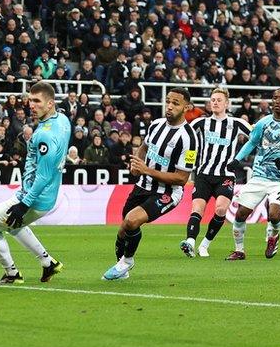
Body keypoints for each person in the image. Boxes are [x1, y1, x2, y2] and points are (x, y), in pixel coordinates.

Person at [104, 87, 199, 280]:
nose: (170, 106)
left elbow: (182, 178)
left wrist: (147, 170)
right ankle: (121, 266)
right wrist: (136, 164)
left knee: (132, 220)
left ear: (186, 107)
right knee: (124, 227)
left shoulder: (189, 138)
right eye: (169, 101)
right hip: (142, 185)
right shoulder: (156, 125)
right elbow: (144, 147)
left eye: (176, 103)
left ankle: (128, 261)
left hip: (167, 193)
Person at [0, 81, 70, 285]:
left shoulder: (44, 134)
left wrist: (24, 204)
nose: (32, 104)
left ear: (50, 104)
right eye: (30, 100)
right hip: (47, 194)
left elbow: (44, 175)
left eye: (37, 101)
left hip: (35, 196)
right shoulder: (63, 120)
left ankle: (12, 274)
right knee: (13, 226)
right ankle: (48, 263)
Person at [225, 88, 280, 261]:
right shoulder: (263, 123)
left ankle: (274, 236)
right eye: (274, 98)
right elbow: (251, 143)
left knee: (274, 215)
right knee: (241, 213)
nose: (277, 101)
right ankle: (239, 251)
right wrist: (237, 159)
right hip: (259, 176)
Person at [180, 88, 251, 257]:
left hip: (225, 175)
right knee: (197, 209)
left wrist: (240, 158)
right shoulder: (200, 123)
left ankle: (204, 244)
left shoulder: (237, 123)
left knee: (220, 210)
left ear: (226, 103)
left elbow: (255, 138)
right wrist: (187, 164)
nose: (215, 103)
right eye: (213, 100)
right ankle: (190, 242)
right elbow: (185, 140)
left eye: (219, 100)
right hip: (203, 174)